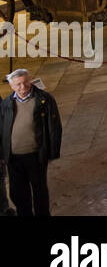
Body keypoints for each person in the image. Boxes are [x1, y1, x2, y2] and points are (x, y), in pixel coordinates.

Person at [0, 69, 61, 217]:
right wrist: (2, 154)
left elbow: (54, 127)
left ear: (30, 81)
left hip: (35, 156)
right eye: (18, 84)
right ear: (12, 86)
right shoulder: (7, 103)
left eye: (25, 82)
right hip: (14, 158)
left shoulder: (44, 99)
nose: (23, 87)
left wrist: (52, 153)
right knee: (19, 193)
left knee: (39, 191)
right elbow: (1, 129)